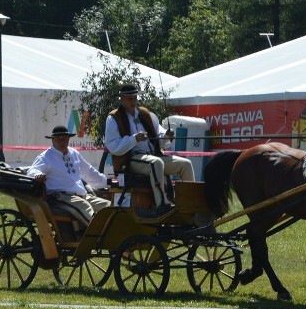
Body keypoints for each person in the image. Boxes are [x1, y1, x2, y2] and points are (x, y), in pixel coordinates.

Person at [104, 83, 195, 216]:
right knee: (156, 163)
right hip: (130, 160)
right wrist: (134, 139)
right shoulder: (113, 118)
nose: (133, 101)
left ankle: (190, 204)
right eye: (129, 98)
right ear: (121, 99)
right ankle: (162, 204)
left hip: (154, 155)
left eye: (134, 98)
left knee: (185, 164)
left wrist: (166, 136)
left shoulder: (147, 115)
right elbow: (113, 146)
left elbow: (160, 141)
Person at [26, 125, 111, 230]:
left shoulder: (74, 153)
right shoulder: (46, 157)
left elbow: (89, 171)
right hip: (60, 197)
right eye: (59, 139)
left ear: (68, 139)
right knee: (84, 206)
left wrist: (107, 182)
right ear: (52, 140)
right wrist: (37, 175)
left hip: (81, 195)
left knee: (109, 206)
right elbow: (32, 171)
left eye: (65, 139)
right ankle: (100, 233)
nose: (62, 141)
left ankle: (116, 230)